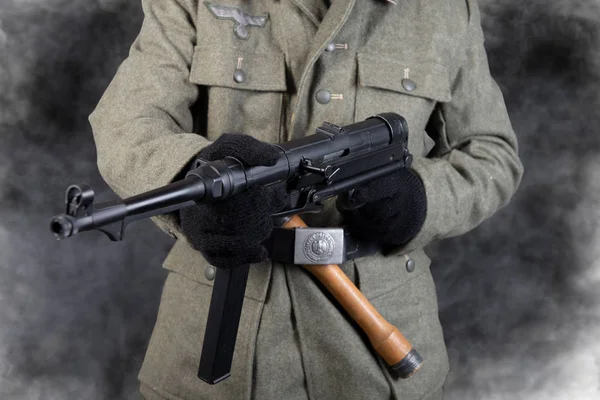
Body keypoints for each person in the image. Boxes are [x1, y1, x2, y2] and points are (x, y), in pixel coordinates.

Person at [89, 0, 524, 399]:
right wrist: (191, 177)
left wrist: (422, 198)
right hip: (214, 337)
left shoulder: (444, 11)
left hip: (380, 336)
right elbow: (127, 120)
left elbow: (491, 153)